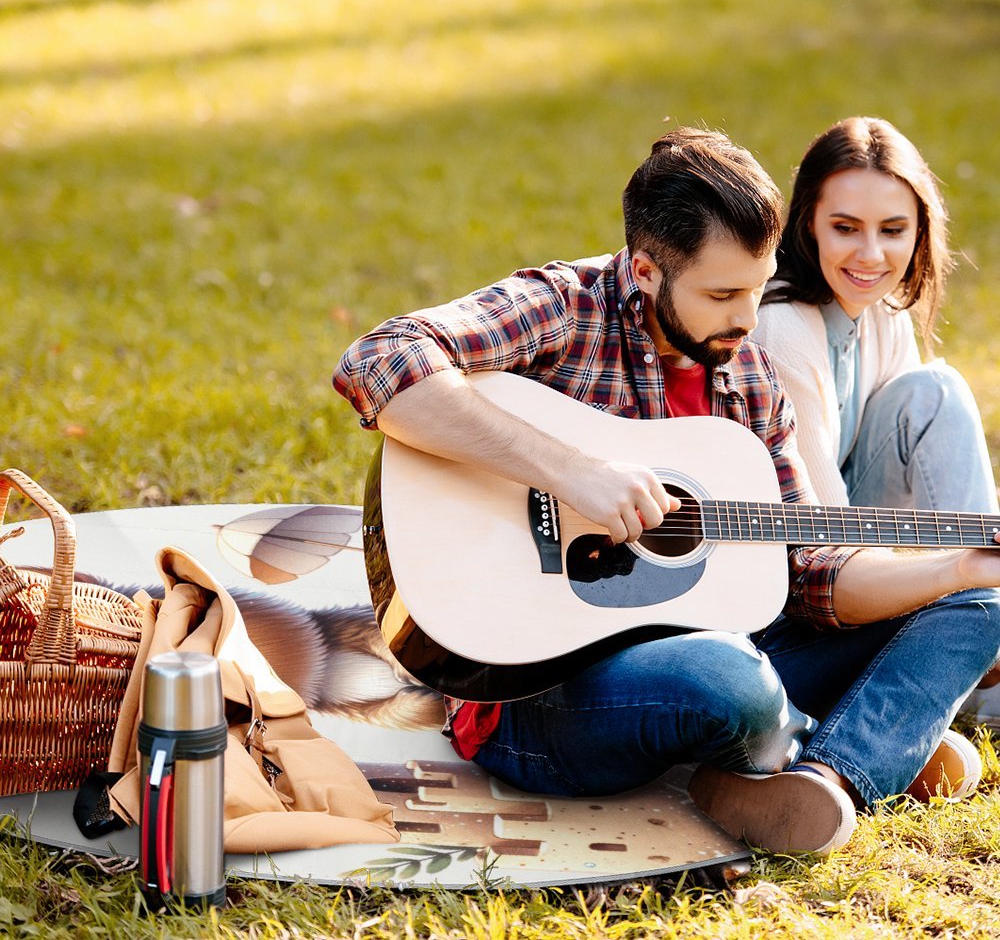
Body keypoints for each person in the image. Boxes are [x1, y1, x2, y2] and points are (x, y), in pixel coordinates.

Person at [333, 128, 1000, 856]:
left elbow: (810, 569)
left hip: (723, 650)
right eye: (722, 294)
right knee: (728, 681)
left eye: (757, 286)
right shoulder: (564, 307)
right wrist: (568, 470)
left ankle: (830, 775)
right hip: (535, 696)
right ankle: (857, 736)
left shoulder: (747, 375)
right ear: (646, 271)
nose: (748, 320)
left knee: (981, 604)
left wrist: (956, 568)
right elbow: (380, 359)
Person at [753, 116, 1000, 750]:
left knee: (933, 391)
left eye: (893, 230)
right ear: (806, 222)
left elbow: (922, 469)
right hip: (796, 583)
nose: (871, 255)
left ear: (920, 230)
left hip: (859, 546)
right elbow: (821, 542)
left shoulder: (882, 313)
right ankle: (977, 645)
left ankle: (980, 632)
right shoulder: (784, 328)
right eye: (845, 228)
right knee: (936, 391)